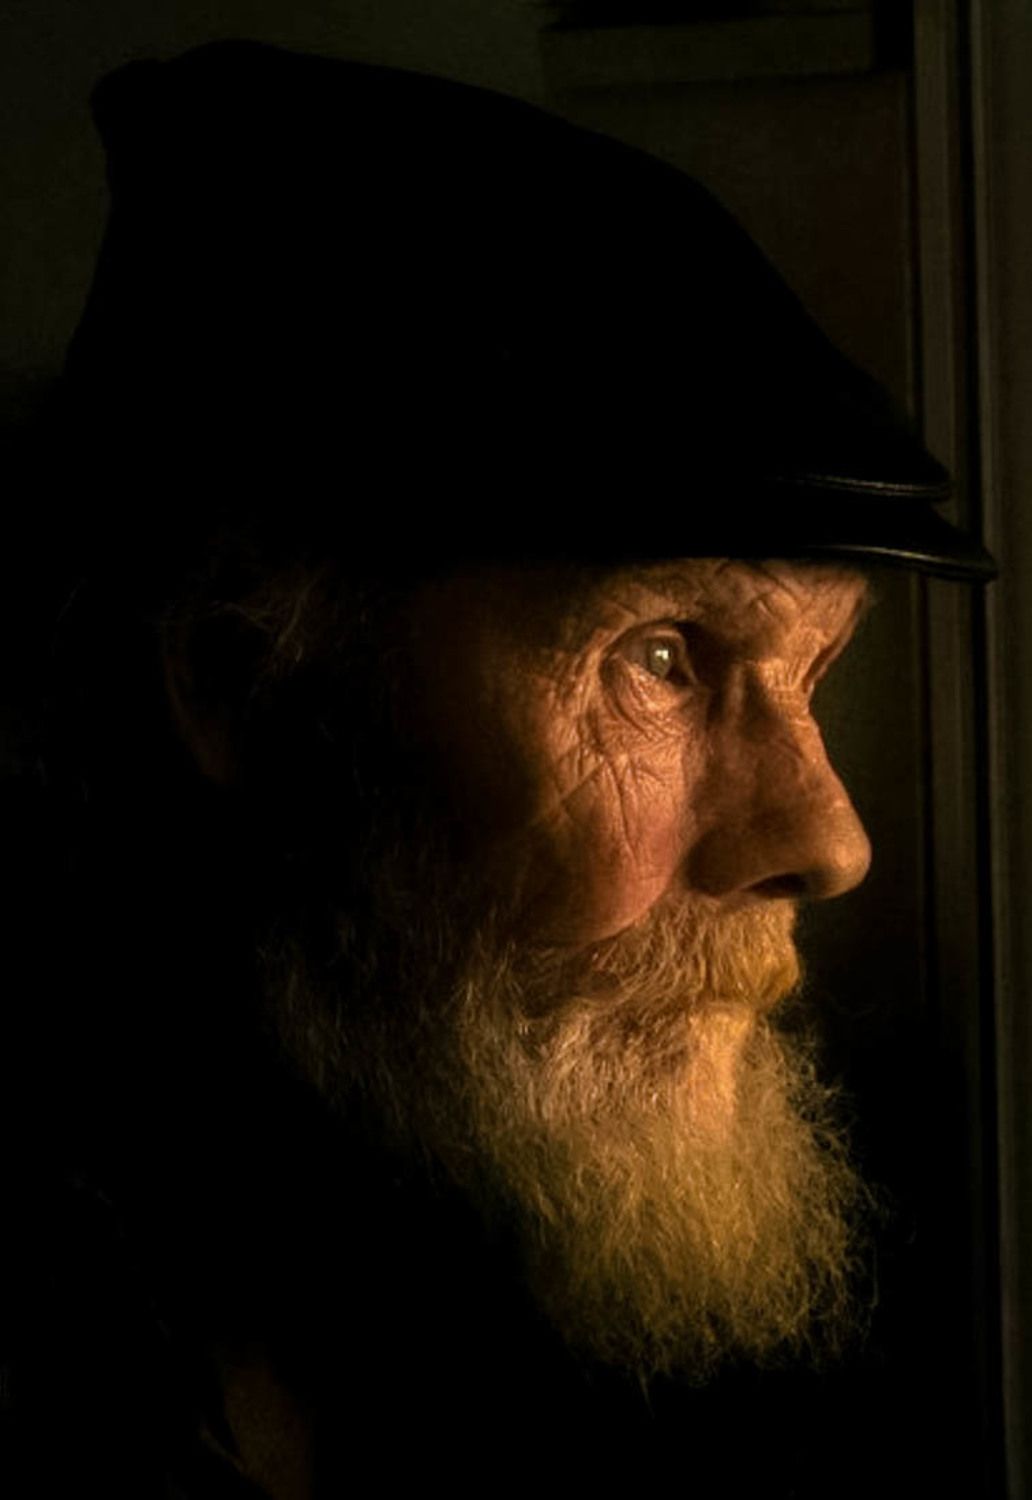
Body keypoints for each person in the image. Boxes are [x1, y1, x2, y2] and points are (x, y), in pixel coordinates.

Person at [2, 37, 995, 1500]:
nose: (829, 837)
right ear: (244, 681)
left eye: (813, 672)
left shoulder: (580, 1239)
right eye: (662, 658)